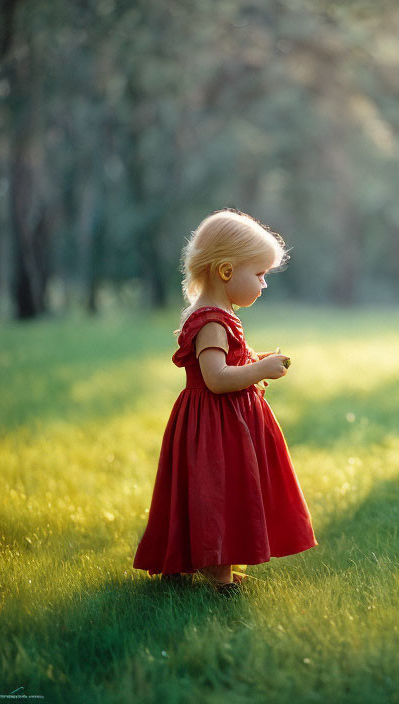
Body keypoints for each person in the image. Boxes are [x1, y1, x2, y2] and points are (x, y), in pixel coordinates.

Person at [132, 208, 317, 595]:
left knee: (227, 491)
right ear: (227, 271)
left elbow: (226, 365)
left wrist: (254, 361)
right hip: (214, 424)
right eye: (260, 274)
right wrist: (260, 370)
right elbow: (216, 379)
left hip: (224, 421)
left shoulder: (220, 315)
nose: (264, 284)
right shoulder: (211, 322)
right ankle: (219, 577)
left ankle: (214, 563)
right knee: (214, 492)